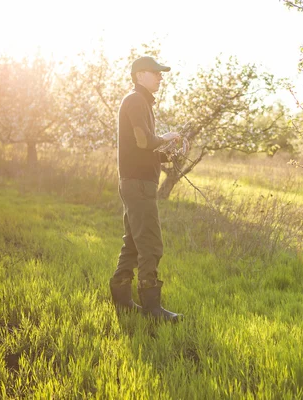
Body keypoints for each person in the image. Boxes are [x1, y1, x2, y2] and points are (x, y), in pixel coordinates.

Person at [109, 56, 186, 323]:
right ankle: (152, 309)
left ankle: (121, 300)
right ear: (140, 75)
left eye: (161, 73)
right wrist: (166, 138)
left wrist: (165, 156)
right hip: (138, 183)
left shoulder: (139, 102)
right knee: (151, 243)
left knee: (132, 241)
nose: (160, 77)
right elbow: (144, 141)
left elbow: (140, 147)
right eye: (156, 73)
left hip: (136, 181)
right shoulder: (135, 100)